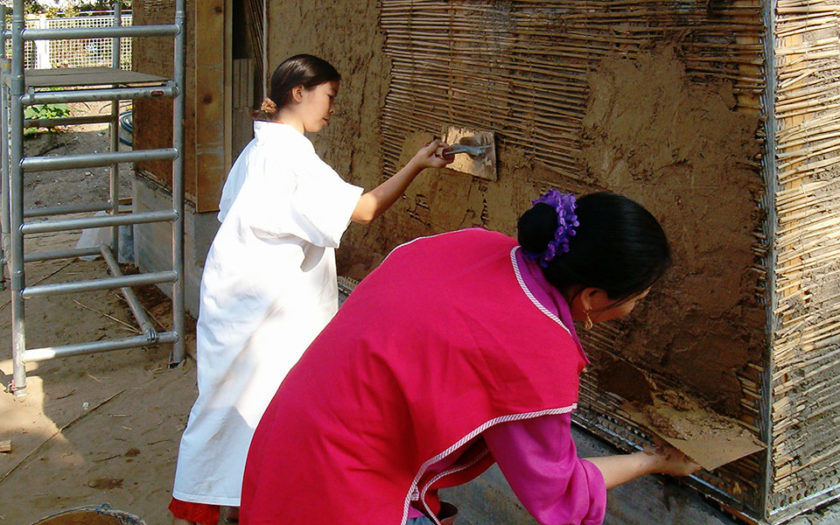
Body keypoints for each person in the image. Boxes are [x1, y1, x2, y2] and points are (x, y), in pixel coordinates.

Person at [239, 190, 702, 524]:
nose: (635, 308)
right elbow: (559, 493)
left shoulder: (470, 244)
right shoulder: (536, 350)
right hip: (341, 494)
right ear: (593, 297)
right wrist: (652, 461)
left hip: (282, 444)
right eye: (637, 298)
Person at [168, 54, 453, 525]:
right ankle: (253, 509)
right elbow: (363, 210)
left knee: (238, 415)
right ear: (298, 92)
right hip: (264, 316)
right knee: (259, 418)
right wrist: (417, 165)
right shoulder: (287, 158)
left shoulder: (258, 150)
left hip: (240, 304)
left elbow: (229, 218)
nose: (332, 108)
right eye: (329, 96)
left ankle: (242, 506)